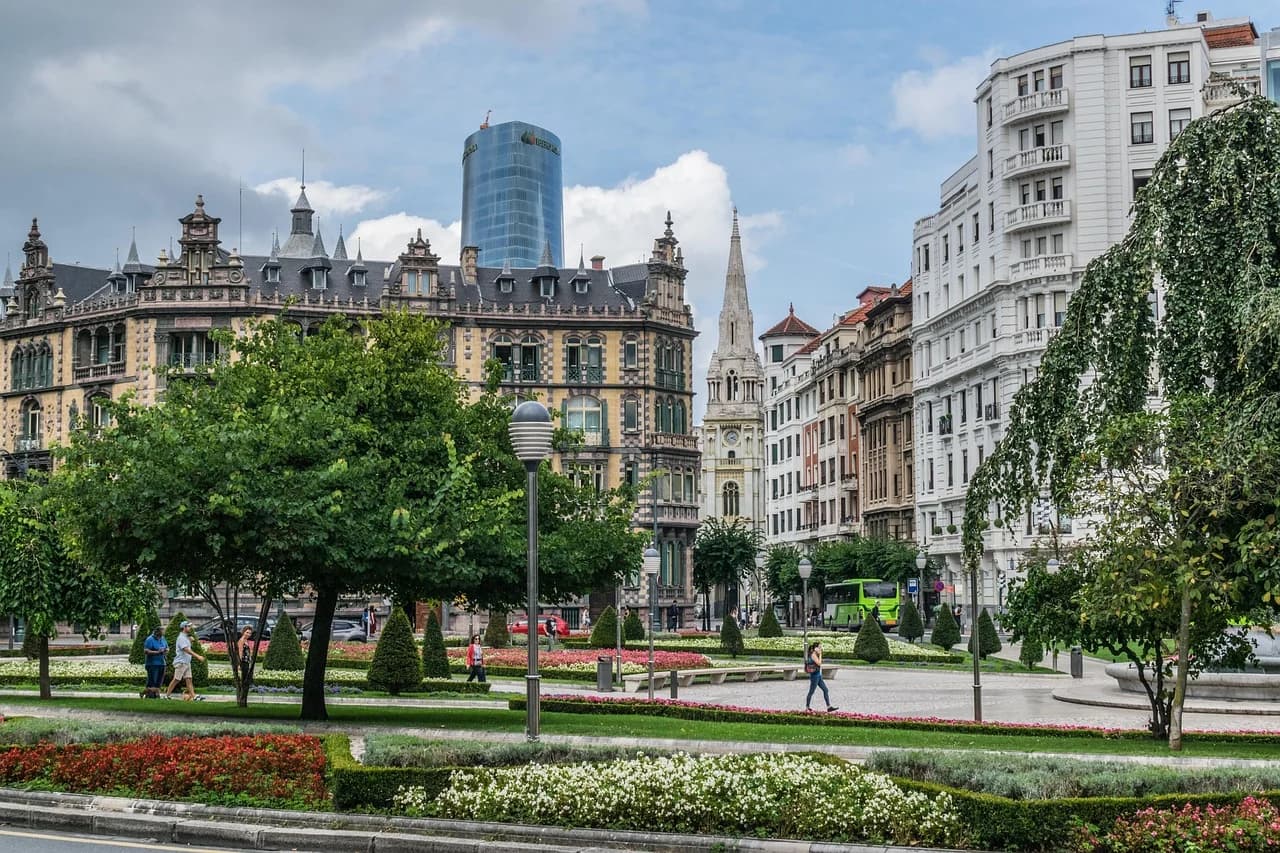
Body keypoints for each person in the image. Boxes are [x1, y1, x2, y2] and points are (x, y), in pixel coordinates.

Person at [163, 620, 207, 701]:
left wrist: (191, 641)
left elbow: (188, 648)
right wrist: (198, 656)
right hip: (181, 662)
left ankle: (194, 697)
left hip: (186, 662)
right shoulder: (181, 638)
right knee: (176, 679)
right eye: (189, 626)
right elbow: (186, 649)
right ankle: (167, 696)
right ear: (184, 628)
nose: (190, 628)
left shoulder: (186, 637)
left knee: (189, 679)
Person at [805, 641, 837, 713]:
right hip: (814, 676)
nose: (820, 648)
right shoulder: (813, 654)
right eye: (819, 647)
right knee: (811, 692)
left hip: (818, 675)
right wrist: (820, 654)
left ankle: (829, 707)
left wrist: (819, 654)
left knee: (825, 690)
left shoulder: (815, 654)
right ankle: (807, 707)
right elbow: (819, 663)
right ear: (815, 648)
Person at [140, 626, 167, 699]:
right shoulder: (149, 639)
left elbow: (167, 648)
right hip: (152, 663)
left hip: (162, 663)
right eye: (163, 630)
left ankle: (156, 695)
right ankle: (148, 694)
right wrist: (157, 652)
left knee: (159, 681)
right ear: (158, 632)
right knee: (152, 681)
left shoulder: (163, 639)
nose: (164, 632)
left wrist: (165, 650)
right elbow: (146, 651)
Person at [236, 625, 256, 690]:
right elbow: (240, 652)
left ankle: (244, 690)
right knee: (244, 678)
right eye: (247, 632)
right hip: (243, 662)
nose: (248, 634)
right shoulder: (241, 641)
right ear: (243, 632)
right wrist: (239, 664)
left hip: (247, 661)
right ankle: (242, 691)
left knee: (246, 677)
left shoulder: (246, 641)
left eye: (250, 633)